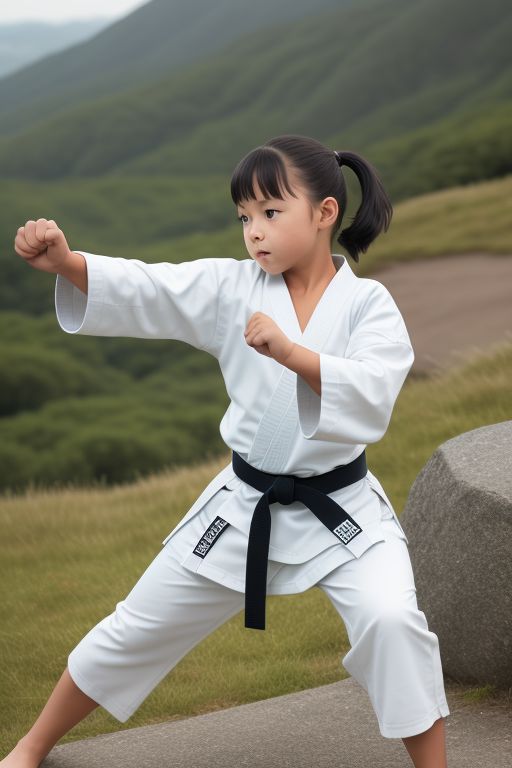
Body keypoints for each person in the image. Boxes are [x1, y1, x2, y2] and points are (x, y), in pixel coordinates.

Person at [5, 134, 450, 767]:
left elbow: (376, 388)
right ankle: (30, 746)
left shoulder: (367, 304)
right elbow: (150, 289)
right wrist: (69, 264)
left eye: (271, 212)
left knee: (393, 623)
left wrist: (291, 352)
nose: (254, 232)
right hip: (245, 504)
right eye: (244, 217)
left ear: (325, 213)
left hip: (342, 509)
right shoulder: (230, 288)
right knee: (138, 626)